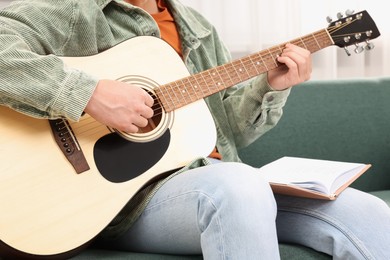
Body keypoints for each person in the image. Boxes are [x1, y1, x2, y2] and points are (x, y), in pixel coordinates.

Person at [1, 0, 389, 259]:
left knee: (368, 211)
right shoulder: (72, 10)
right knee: (236, 185)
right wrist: (89, 95)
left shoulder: (195, 26)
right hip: (126, 200)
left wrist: (269, 86)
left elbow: (227, 133)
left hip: (217, 181)